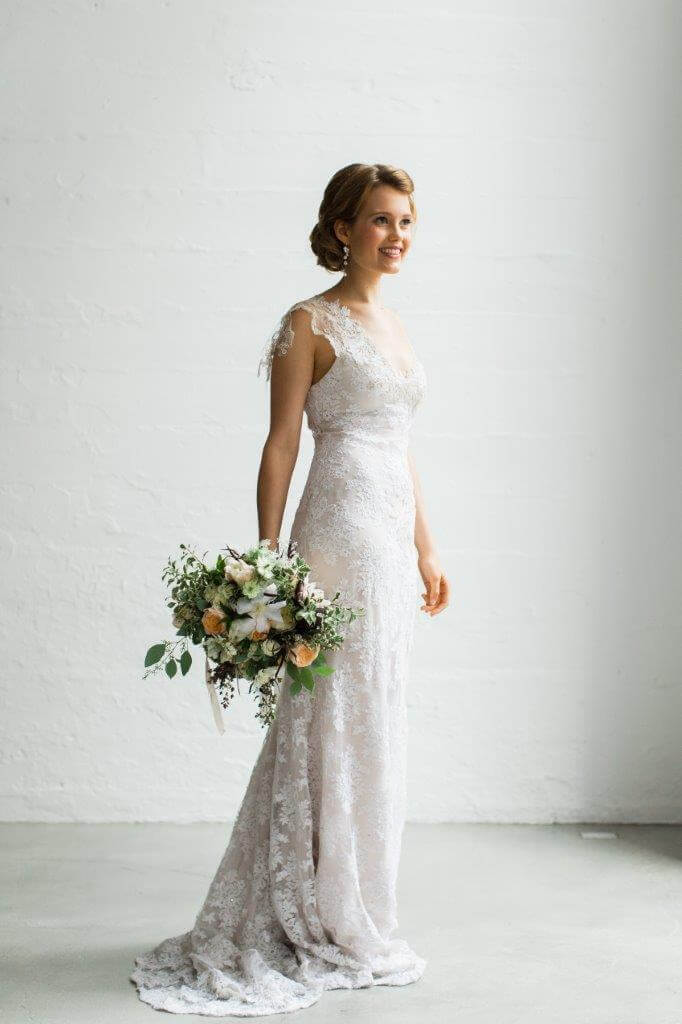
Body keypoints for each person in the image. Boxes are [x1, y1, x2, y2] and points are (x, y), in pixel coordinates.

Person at [130, 162, 449, 1016]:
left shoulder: (394, 324)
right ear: (342, 227)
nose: (397, 235)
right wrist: (268, 561)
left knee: (377, 709)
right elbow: (281, 444)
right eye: (381, 220)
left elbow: (402, 444)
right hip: (338, 529)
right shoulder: (307, 323)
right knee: (330, 710)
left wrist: (425, 547)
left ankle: (359, 904)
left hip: (387, 537)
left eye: (407, 221)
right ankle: (309, 908)